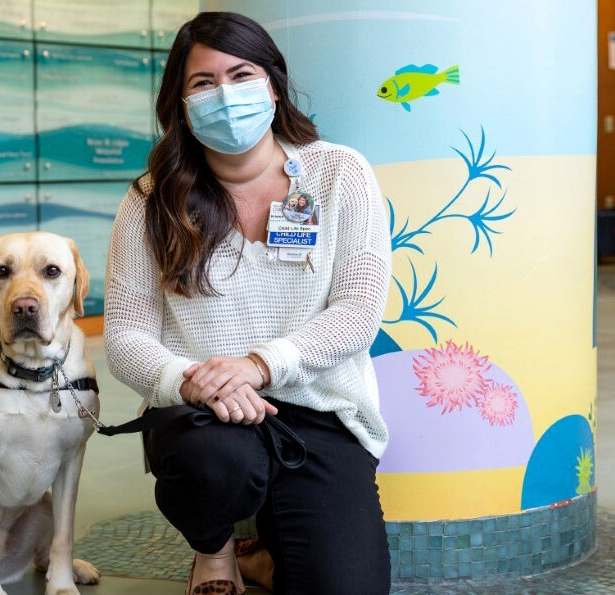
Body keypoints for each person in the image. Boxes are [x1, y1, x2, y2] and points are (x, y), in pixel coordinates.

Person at [103, 11, 392, 595]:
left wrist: (258, 366)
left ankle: (263, 552)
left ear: (273, 84)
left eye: (241, 75)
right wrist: (191, 379)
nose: (225, 95)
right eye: (203, 83)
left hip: (317, 413)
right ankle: (215, 550)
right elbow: (125, 337)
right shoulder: (151, 200)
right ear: (179, 103)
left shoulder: (339, 174)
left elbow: (359, 310)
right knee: (215, 462)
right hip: (202, 416)